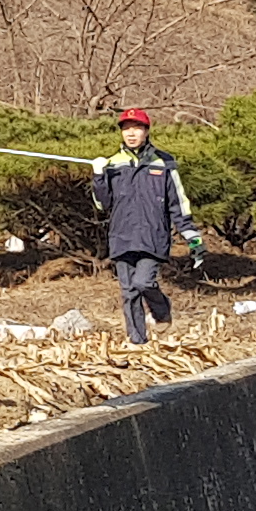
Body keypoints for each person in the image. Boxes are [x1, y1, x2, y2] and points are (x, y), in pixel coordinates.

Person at [89, 108, 200, 346]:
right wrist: (98, 176)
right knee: (129, 292)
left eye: (136, 128)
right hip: (122, 236)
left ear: (146, 131)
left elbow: (178, 202)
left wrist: (191, 235)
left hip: (153, 236)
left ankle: (161, 309)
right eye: (126, 129)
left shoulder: (164, 162)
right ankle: (137, 341)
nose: (131, 134)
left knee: (143, 282)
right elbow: (102, 204)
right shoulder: (113, 164)